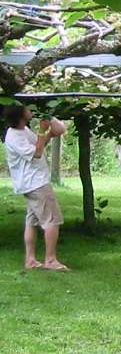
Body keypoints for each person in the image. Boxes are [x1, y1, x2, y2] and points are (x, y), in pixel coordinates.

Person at [3, 103, 69, 271]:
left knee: (32, 221)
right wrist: (42, 131)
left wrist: (50, 126)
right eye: (26, 109)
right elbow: (37, 153)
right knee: (52, 220)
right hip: (35, 183)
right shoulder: (14, 136)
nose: (30, 110)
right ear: (20, 115)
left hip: (31, 183)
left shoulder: (23, 130)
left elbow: (50, 136)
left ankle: (30, 260)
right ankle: (50, 260)